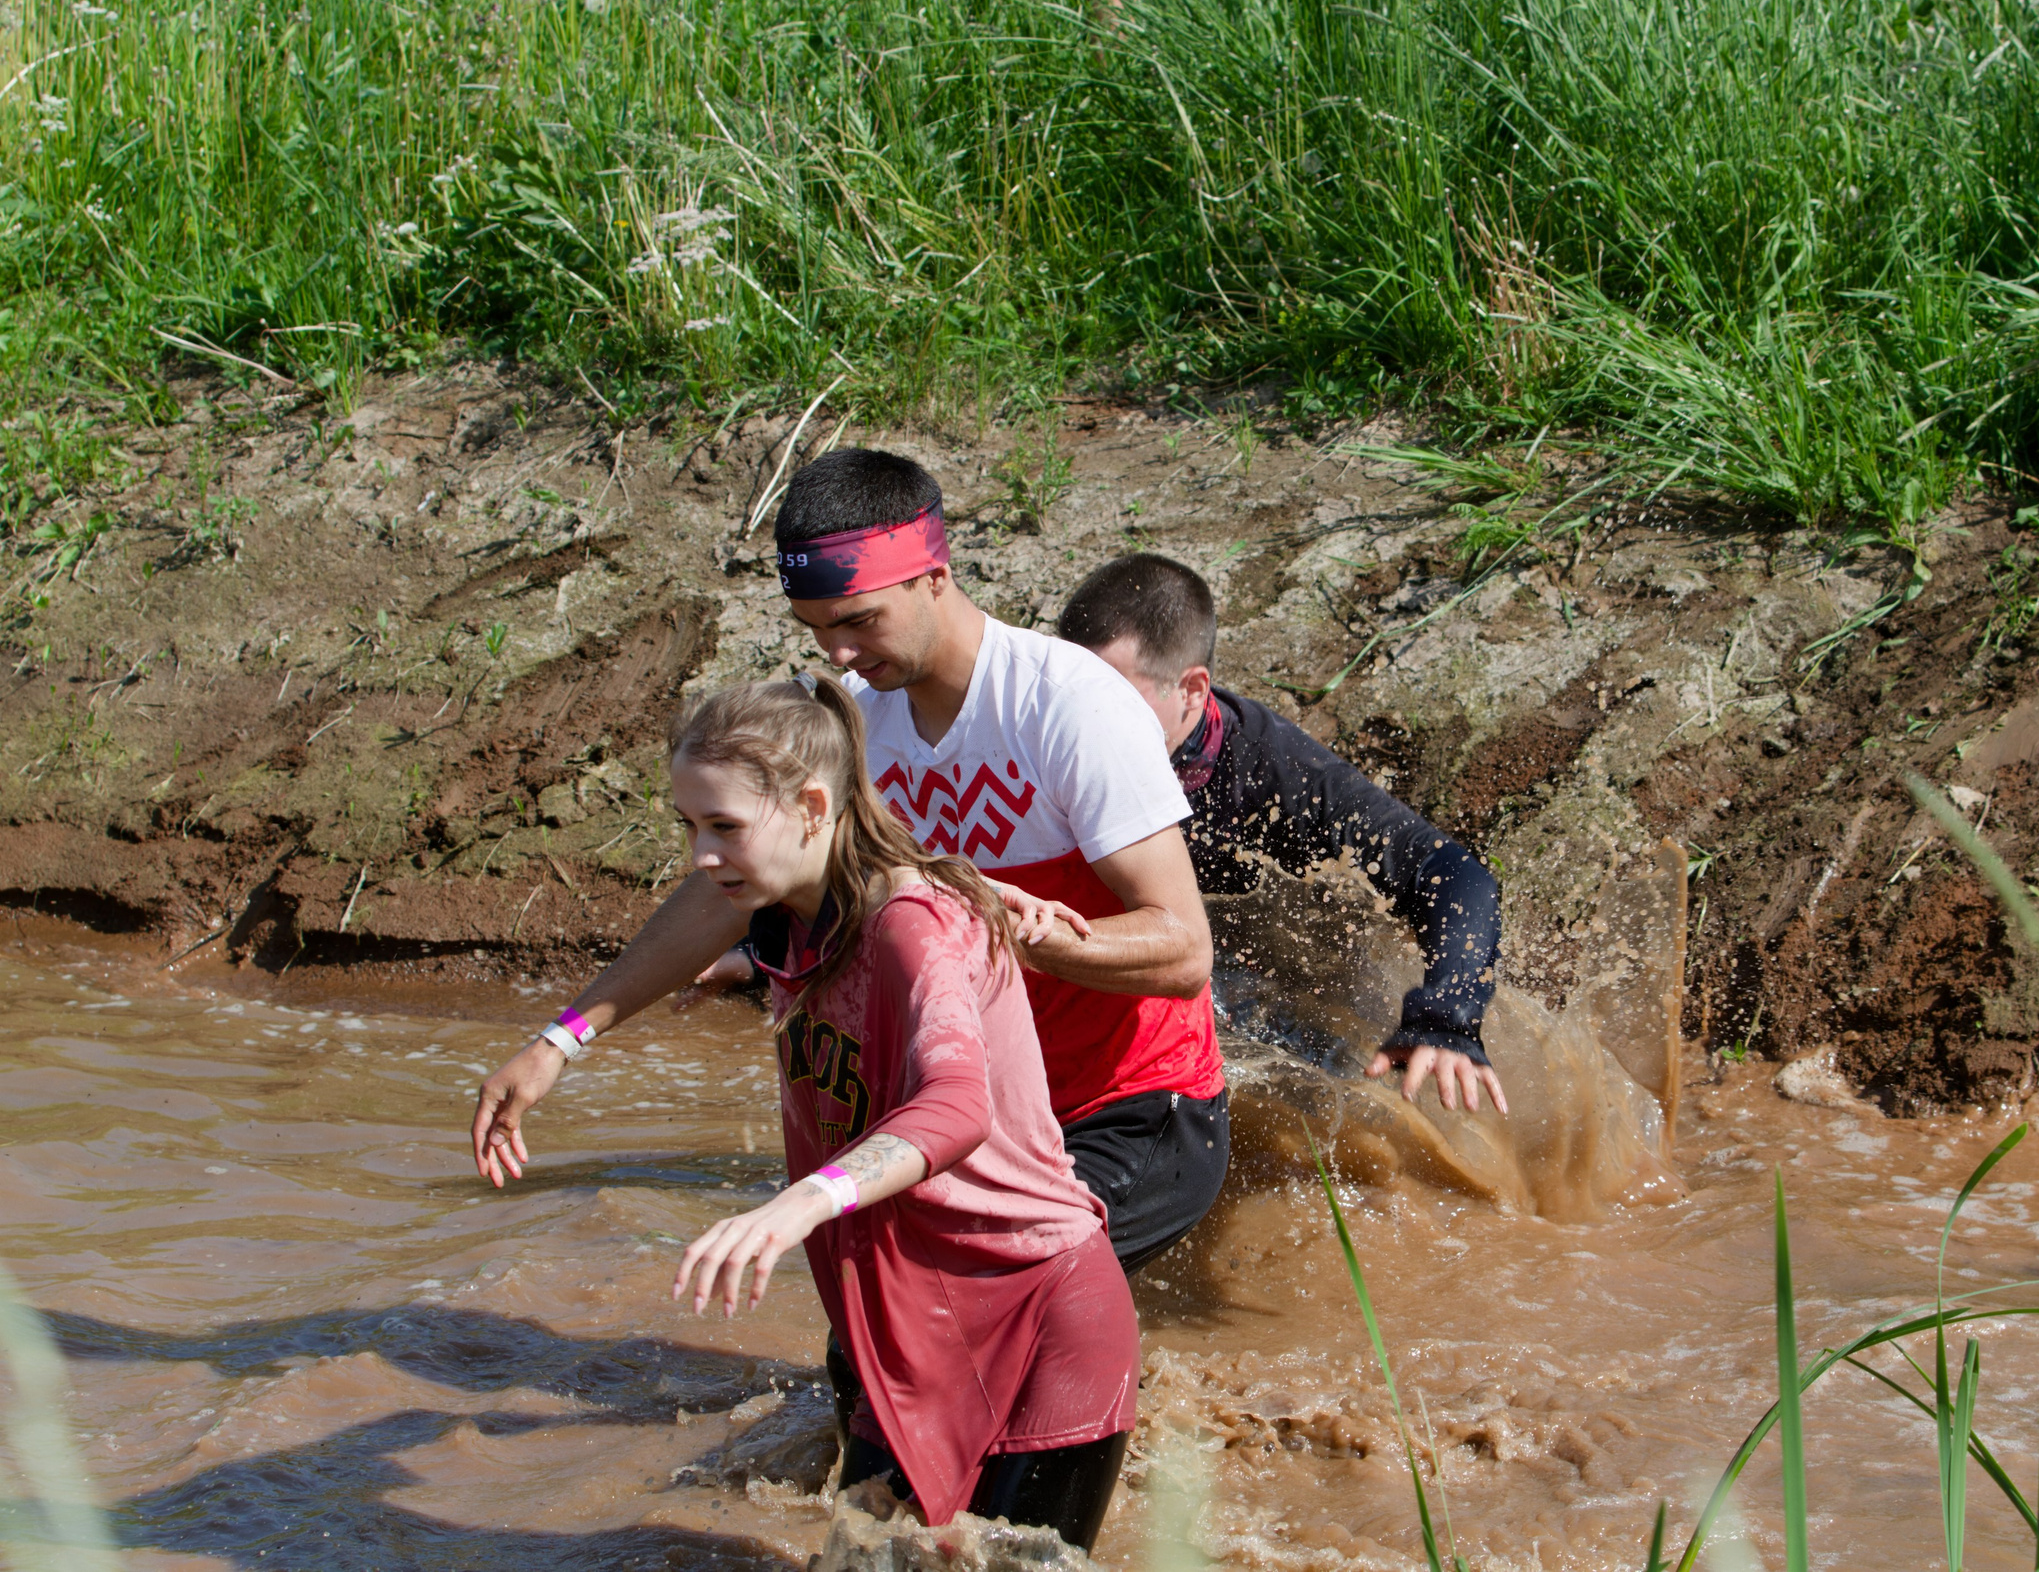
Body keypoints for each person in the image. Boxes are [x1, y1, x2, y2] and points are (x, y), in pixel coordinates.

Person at [473, 449, 1228, 1277]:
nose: (836, 654)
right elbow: (724, 892)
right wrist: (560, 1041)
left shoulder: (1069, 705)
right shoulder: (856, 724)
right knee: (870, 1346)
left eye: (858, 620)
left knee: (986, 1294)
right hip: (976, 1108)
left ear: (933, 574)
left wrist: (1030, 938)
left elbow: (1184, 952)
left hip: (1136, 1109)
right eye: (815, 628)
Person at [478, 678, 1137, 1545]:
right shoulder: (791, 908)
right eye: (689, 826)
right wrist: (557, 1042)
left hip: (1038, 1319)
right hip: (910, 1332)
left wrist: (793, 1205)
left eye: (723, 827)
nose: (699, 856)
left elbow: (957, 1107)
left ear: (813, 807)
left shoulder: (913, 924)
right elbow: (697, 920)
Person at [1056, 553, 1509, 1116]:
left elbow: (1453, 875)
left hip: (1289, 986)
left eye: (1113, 701)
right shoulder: (1043, 743)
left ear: (1193, 691)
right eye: (1070, 692)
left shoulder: (1277, 777)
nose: (1079, 725)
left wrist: (1446, 1015)